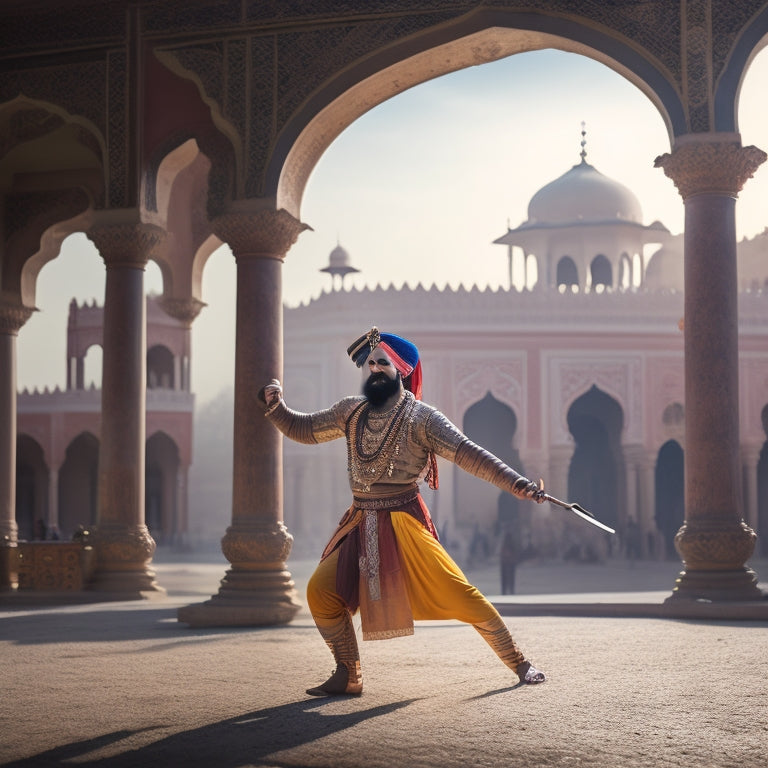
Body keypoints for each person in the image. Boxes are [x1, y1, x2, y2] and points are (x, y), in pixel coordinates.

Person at [261, 327, 546, 696]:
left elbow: (471, 455)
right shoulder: (351, 411)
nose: (375, 369)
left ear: (402, 371)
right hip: (360, 519)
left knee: (461, 595)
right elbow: (305, 429)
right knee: (319, 591)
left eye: (385, 363)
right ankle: (349, 673)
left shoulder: (423, 418)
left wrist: (517, 484)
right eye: (373, 363)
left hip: (404, 523)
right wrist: (275, 406)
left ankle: (521, 662)